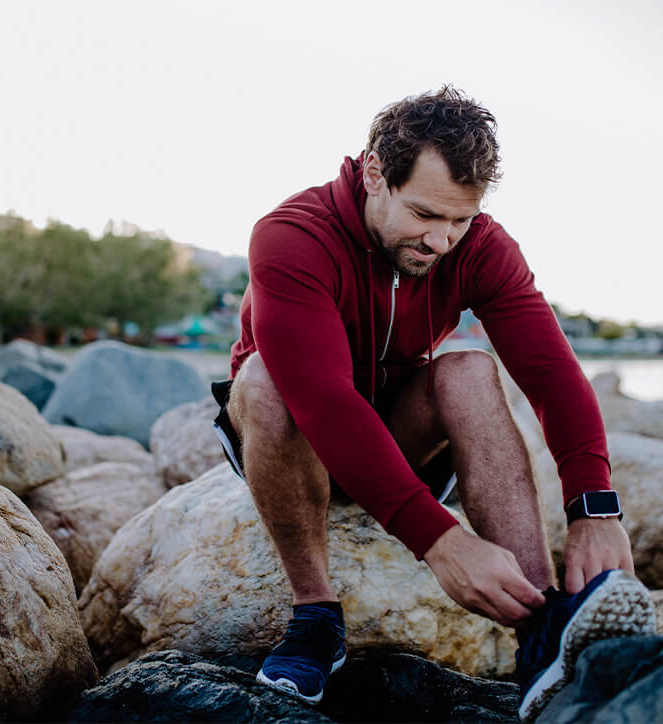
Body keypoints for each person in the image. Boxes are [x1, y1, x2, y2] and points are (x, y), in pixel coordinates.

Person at [211, 86, 655, 720]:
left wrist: (593, 506)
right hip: (290, 432)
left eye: (461, 219)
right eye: (424, 214)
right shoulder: (292, 236)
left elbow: (550, 371)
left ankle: (541, 629)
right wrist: (441, 541)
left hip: (397, 430)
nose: (443, 239)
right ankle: (315, 616)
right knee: (265, 382)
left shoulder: (478, 245)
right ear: (372, 173)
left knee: (471, 368)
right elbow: (324, 401)